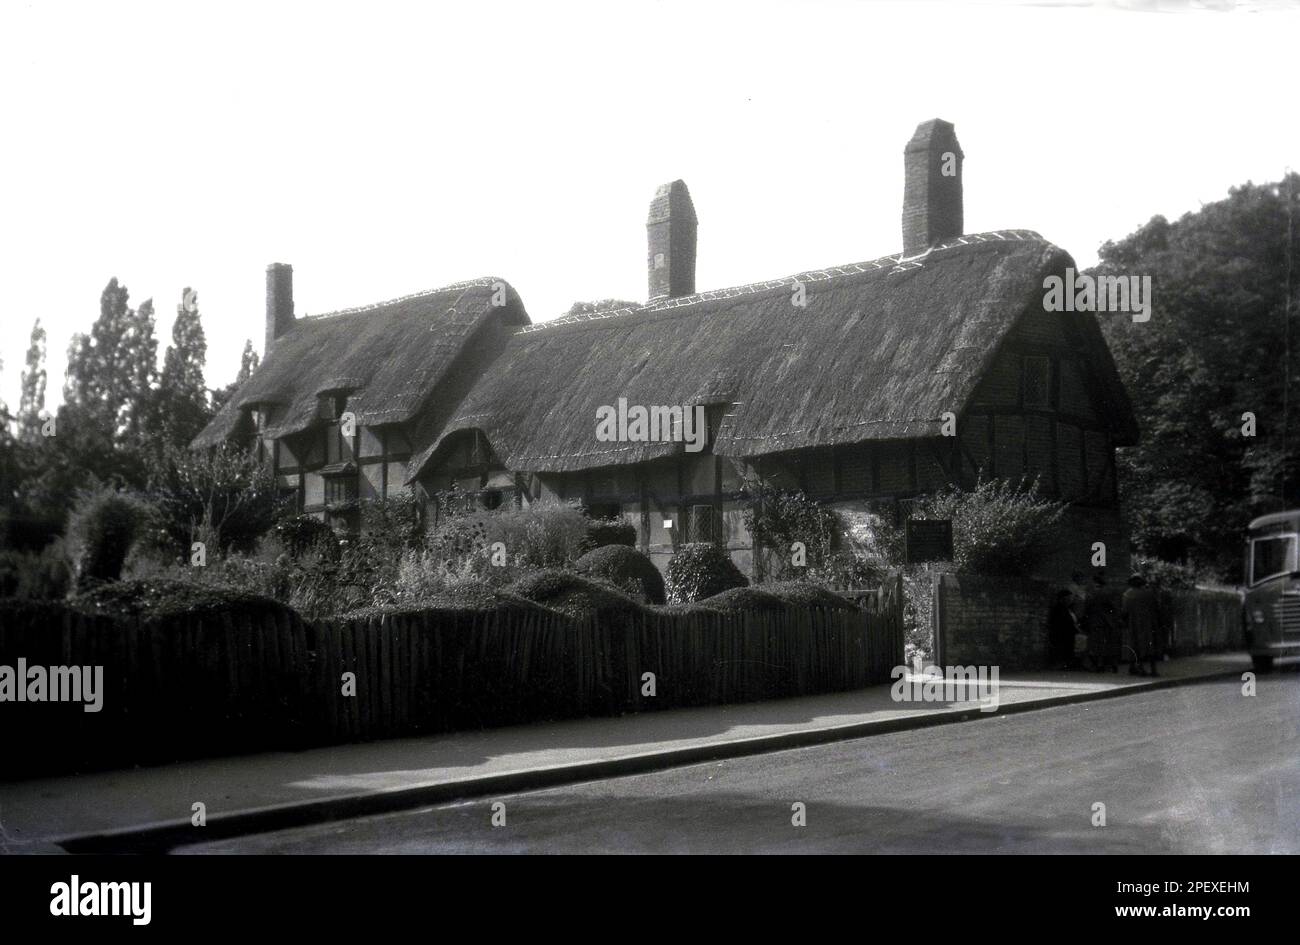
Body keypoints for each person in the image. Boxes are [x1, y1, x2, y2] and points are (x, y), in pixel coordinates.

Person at [1123, 573, 1162, 676]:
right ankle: (1153, 669)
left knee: (1135, 645)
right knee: (1150, 646)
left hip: (1134, 623)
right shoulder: (1149, 594)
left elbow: (1125, 611)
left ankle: (1138, 668)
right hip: (1149, 623)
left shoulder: (1127, 594)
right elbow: (1157, 607)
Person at [1083, 571, 1120, 672]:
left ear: (1095, 582)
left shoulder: (1091, 594)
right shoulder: (1109, 593)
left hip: (1095, 622)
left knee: (1097, 645)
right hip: (1108, 622)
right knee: (1109, 644)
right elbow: (1114, 607)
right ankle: (1113, 664)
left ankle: (1100, 664)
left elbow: (1087, 608)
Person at [1047, 588, 1078, 670]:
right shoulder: (1059, 609)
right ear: (1063, 599)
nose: (1071, 600)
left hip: (1067, 633)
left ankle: (1067, 664)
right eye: (1069, 598)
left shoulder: (1067, 608)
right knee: (1063, 649)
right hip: (1062, 633)